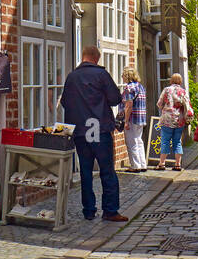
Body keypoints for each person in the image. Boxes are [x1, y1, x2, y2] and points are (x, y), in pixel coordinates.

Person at [59, 47, 128, 222]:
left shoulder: (72, 77)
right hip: (98, 128)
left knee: (85, 171)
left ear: (83, 58)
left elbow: (65, 102)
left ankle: (88, 210)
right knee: (107, 170)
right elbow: (115, 99)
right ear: (96, 59)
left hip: (80, 130)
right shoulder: (101, 75)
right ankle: (110, 210)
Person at [154, 74, 193, 171]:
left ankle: (162, 163)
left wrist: (166, 108)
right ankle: (178, 164)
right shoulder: (183, 91)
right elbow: (187, 104)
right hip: (179, 120)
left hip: (167, 120)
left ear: (171, 80)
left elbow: (159, 103)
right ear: (180, 81)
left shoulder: (167, 90)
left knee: (165, 141)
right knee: (177, 142)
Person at [120, 67, 148, 172]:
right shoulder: (140, 87)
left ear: (127, 76)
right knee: (138, 141)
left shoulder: (129, 88)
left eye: (123, 75)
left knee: (131, 142)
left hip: (132, 118)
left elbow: (129, 105)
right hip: (141, 117)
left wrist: (126, 121)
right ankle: (142, 164)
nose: (122, 77)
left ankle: (135, 166)